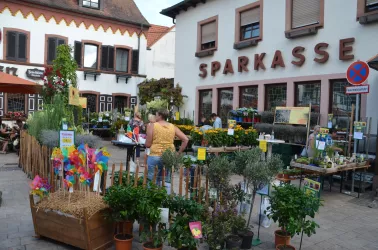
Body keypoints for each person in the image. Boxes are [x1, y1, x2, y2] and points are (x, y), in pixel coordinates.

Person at [145, 109, 189, 185]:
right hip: (169, 156)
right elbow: (185, 139)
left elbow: (148, 144)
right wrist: (178, 153)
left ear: (159, 116)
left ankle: (152, 196)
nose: (155, 116)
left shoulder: (152, 126)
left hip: (155, 155)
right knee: (166, 181)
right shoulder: (173, 127)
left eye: (156, 115)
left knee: (151, 181)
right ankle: (166, 195)